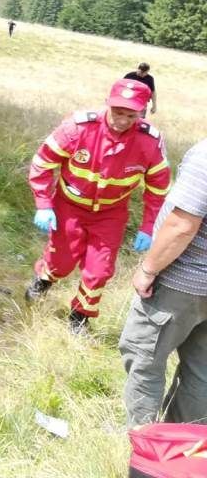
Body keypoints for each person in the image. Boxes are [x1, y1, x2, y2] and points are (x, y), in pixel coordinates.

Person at [25, 79, 171, 333]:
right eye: (117, 112)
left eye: (131, 115)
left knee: (100, 269)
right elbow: (42, 164)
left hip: (110, 214)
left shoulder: (150, 142)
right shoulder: (78, 128)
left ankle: (80, 315)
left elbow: (158, 188)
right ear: (108, 103)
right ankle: (44, 280)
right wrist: (43, 203)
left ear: (141, 112)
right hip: (68, 206)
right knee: (62, 260)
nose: (122, 120)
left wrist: (149, 227)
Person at [120, 138, 207, 427]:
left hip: (181, 283)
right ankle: (182, 449)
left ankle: (142, 443)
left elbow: (182, 225)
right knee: (201, 373)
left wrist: (148, 268)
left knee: (144, 357)